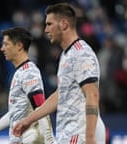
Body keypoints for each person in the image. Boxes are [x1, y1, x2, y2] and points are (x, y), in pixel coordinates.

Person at [13, 3, 106, 144]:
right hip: (70, 133)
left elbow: (92, 94)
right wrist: (29, 119)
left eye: (49, 24)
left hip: (80, 133)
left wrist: (90, 137)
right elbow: (61, 95)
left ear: (64, 24)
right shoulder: (67, 55)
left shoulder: (81, 53)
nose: (46, 29)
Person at [0, 27, 55, 144]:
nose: (2, 48)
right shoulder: (19, 73)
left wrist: (50, 141)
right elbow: (15, 112)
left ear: (19, 45)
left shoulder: (29, 72)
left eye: (6, 44)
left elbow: (41, 109)